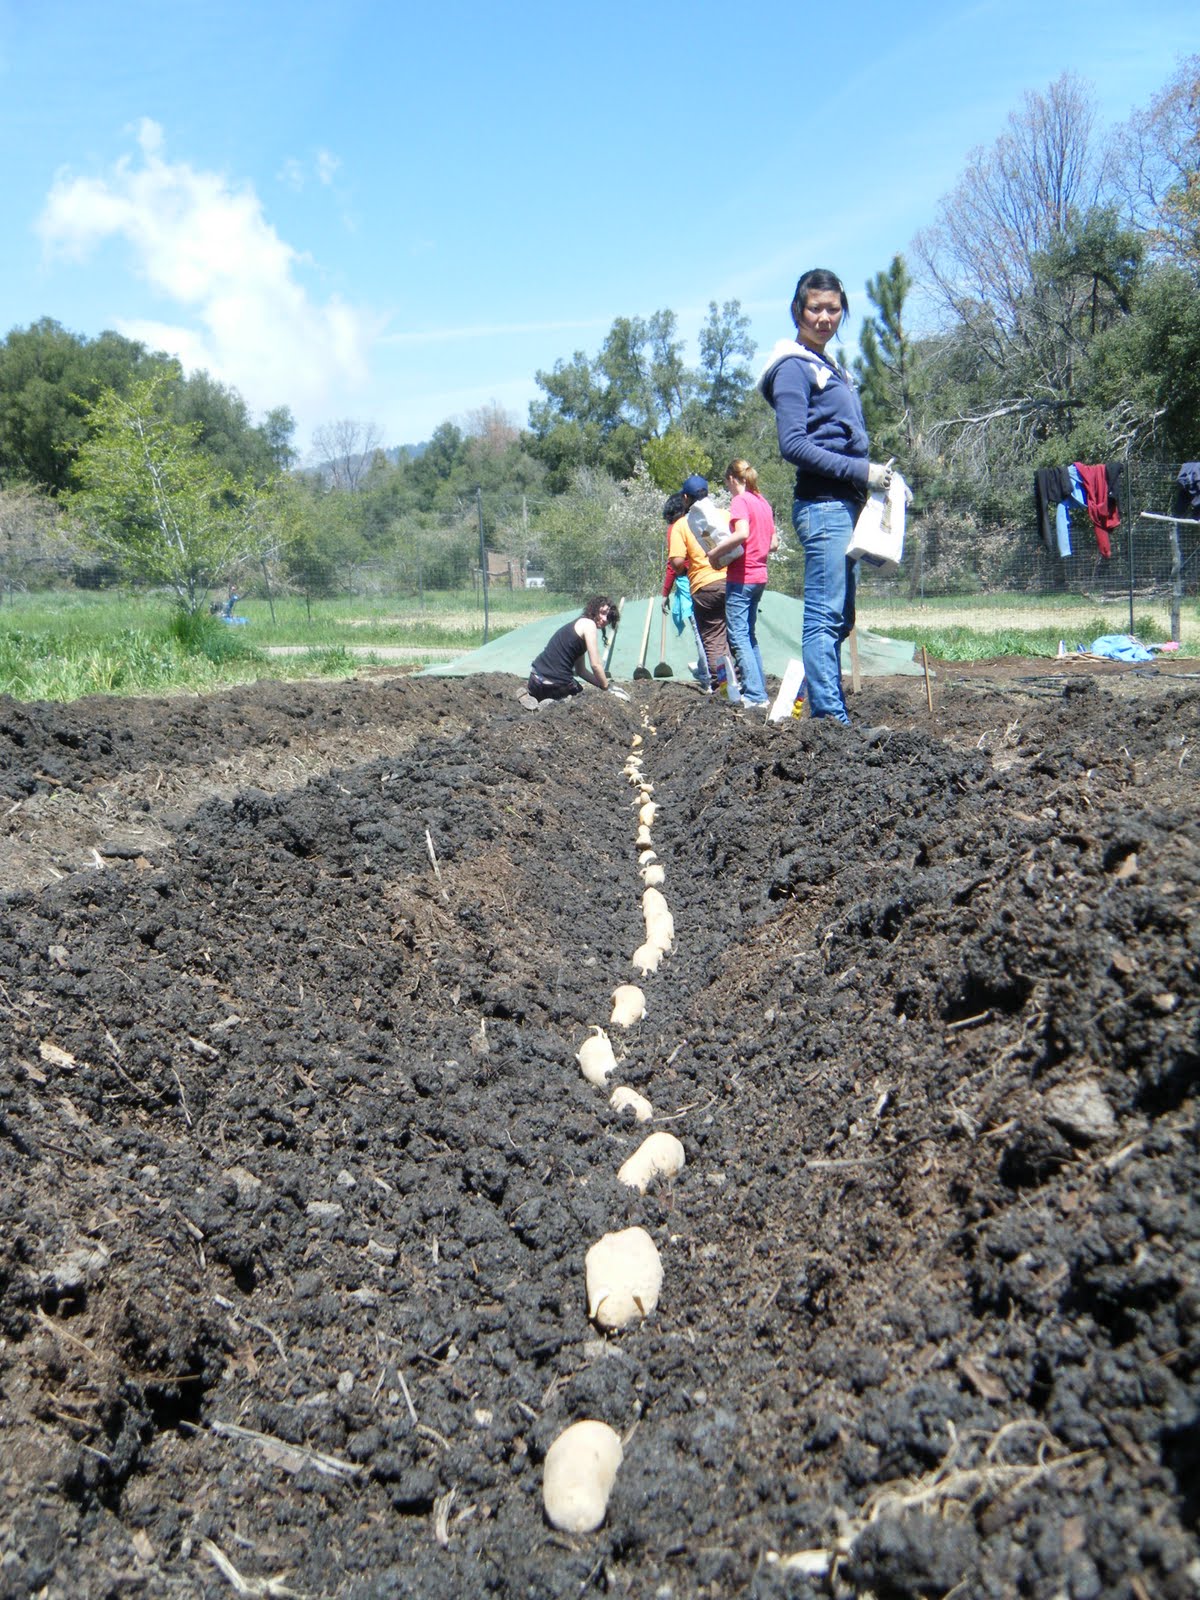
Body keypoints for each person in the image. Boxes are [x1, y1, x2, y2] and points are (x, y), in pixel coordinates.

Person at [758, 269, 894, 723]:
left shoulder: (828, 367)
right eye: (814, 307)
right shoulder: (793, 367)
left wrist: (875, 480)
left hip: (846, 505)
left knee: (840, 616)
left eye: (833, 308)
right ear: (797, 310)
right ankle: (831, 723)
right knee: (824, 614)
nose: (824, 316)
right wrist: (863, 470)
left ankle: (825, 714)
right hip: (823, 506)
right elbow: (793, 444)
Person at [708, 459, 778, 706]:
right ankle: (760, 693)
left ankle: (755, 696)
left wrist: (714, 553)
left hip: (742, 578)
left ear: (731, 479)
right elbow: (774, 543)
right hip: (760, 577)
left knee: (738, 637)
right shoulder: (763, 503)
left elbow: (742, 534)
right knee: (749, 635)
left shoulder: (740, 501)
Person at [667, 477, 728, 691]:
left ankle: (723, 688)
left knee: (712, 639)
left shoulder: (682, 524)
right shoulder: (724, 514)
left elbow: (675, 561)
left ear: (685, 498)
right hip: (734, 582)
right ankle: (748, 686)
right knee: (737, 635)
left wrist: (686, 567)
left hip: (705, 586)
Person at [521, 596, 620, 706]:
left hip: (535, 680)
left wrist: (601, 685)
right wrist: (607, 687)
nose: (605, 619)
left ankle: (539, 701)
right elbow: (596, 665)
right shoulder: (589, 624)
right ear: (594, 609)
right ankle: (554, 704)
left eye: (609, 618)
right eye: (603, 612)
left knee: (577, 690)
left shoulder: (577, 627)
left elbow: (581, 671)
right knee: (584, 703)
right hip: (555, 685)